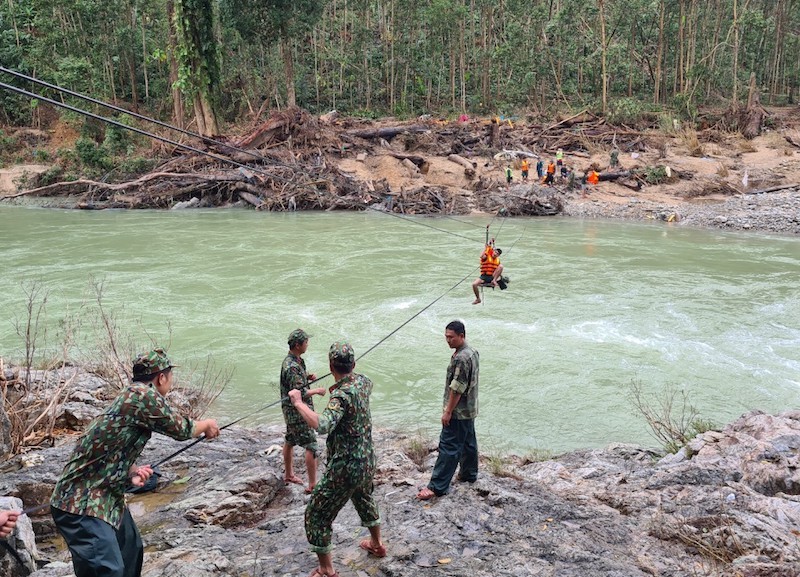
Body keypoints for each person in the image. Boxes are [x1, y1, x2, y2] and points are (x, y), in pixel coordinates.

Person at [50, 348, 220, 577]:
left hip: (107, 496)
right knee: (107, 571)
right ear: (162, 377)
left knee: (131, 550)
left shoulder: (130, 394)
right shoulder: (143, 396)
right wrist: (207, 424)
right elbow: (181, 429)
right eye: (170, 376)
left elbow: (108, 446)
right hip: (80, 503)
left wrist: (132, 471)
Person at [289, 341, 384, 577]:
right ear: (353, 364)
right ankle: (377, 544)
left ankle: (326, 569)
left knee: (317, 514)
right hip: (367, 459)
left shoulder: (340, 396)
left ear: (331, 365)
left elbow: (322, 424)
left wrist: (299, 402)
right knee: (363, 496)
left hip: (346, 466)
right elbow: (360, 380)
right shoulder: (363, 382)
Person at [417, 320, 479, 500]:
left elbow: (457, 387)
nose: (448, 341)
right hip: (470, 408)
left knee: (449, 446)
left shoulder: (460, 358)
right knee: (468, 442)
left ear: (462, 336)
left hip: (458, 411)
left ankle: (437, 486)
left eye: (451, 337)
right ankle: (469, 474)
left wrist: (448, 411)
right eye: (446, 337)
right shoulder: (472, 352)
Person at [281, 328, 326, 493]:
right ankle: (313, 484)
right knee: (311, 445)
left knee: (290, 439)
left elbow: (296, 381)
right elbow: (298, 393)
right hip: (297, 413)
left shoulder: (295, 361)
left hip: (290, 412)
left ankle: (289, 475)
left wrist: (307, 377)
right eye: (306, 342)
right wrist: (317, 390)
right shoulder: (292, 366)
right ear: (298, 345)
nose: (308, 344)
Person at [471, 239, 503, 305]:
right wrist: (486, 248)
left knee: (501, 266)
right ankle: (478, 299)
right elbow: (482, 256)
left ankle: (494, 281)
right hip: (484, 276)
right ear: (493, 252)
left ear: (498, 255)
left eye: (497, 254)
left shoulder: (497, 260)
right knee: (474, 284)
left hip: (492, 277)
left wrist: (497, 278)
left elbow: (498, 270)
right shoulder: (487, 256)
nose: (496, 254)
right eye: (495, 252)